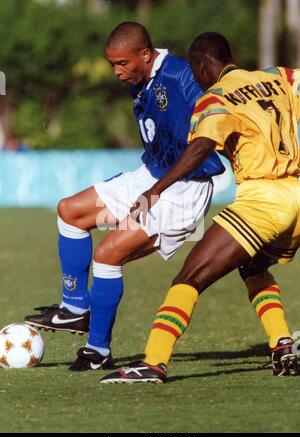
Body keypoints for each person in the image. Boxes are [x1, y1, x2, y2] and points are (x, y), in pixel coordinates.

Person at [100, 32, 300, 384]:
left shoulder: (215, 97)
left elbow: (200, 148)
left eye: (196, 71)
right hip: (296, 193)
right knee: (253, 266)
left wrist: (155, 191)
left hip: (263, 201)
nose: (195, 79)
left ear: (203, 65)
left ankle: (153, 363)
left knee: (188, 278)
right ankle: (282, 342)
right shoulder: (277, 76)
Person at [24, 23, 224, 371]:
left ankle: (97, 351)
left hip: (182, 190)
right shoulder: (140, 78)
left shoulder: (180, 75)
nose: (117, 72)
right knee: (70, 211)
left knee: (108, 253)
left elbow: (214, 124)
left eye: (122, 63)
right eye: (113, 64)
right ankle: (74, 309)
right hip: (150, 176)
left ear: (145, 55)